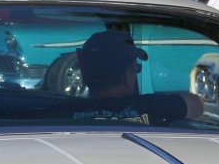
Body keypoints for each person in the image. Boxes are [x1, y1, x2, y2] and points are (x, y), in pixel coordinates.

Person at [70, 29, 201, 124]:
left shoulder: (60, 113)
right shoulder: (154, 107)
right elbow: (197, 104)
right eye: (135, 69)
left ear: (84, 73)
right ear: (128, 76)